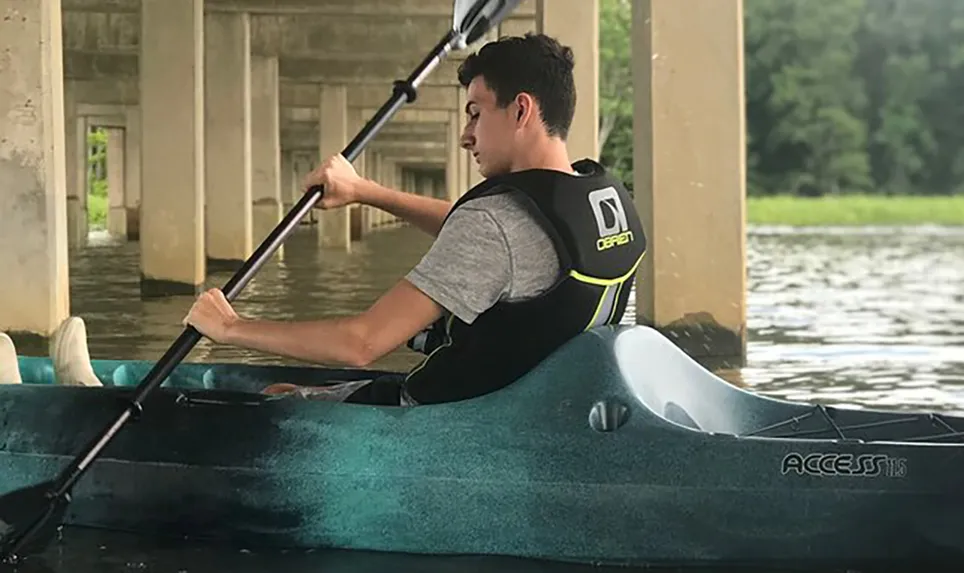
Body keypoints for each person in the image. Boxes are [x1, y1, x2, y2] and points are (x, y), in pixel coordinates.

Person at [182, 32, 648, 406]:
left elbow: (361, 344)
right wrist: (365, 192)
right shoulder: (600, 201)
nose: (467, 136)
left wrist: (230, 328)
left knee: (278, 399)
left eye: (475, 113)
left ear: (521, 109)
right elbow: (491, 239)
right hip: (548, 408)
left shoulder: (495, 224)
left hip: (450, 424)